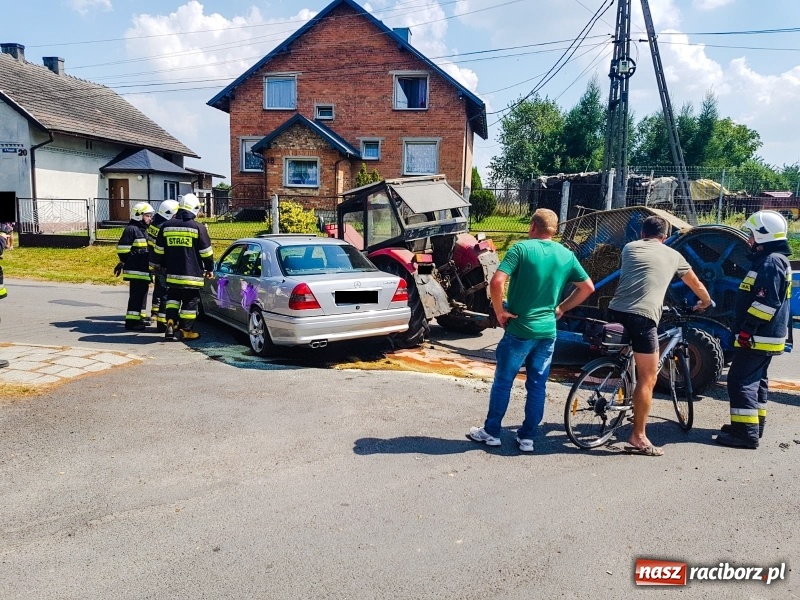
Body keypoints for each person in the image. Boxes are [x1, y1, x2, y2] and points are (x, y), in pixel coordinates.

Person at [468, 209, 595, 452]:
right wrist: (561, 308)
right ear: (554, 230)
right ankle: (527, 438)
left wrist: (499, 311)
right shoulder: (566, 255)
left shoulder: (520, 249)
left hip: (519, 329)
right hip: (547, 331)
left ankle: (492, 432)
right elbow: (587, 287)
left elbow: (496, 281)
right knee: (537, 385)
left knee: (504, 382)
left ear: (532, 227)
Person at [607, 215, 713, 457]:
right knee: (648, 378)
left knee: (628, 363)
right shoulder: (673, 255)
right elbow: (694, 283)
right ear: (664, 237)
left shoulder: (629, 247)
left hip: (615, 310)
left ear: (642, 233)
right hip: (643, 317)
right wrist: (705, 301)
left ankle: (626, 396)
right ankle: (638, 436)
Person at [716, 210, 792, 449]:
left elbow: (766, 303)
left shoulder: (771, 262)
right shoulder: (772, 260)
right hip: (764, 336)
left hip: (759, 336)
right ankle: (752, 427)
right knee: (756, 382)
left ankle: (744, 434)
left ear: (763, 235)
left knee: (739, 381)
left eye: (751, 234)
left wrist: (747, 330)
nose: (748, 239)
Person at [154, 193, 214, 341]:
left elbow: (158, 251)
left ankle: (170, 323)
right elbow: (206, 252)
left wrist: (162, 266)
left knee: (173, 298)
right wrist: (210, 268)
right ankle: (186, 330)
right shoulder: (198, 227)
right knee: (190, 301)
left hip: (172, 273)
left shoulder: (166, 226)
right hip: (192, 274)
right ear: (193, 209)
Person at [115, 202, 155, 331]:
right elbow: (122, 250)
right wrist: (128, 262)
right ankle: (131, 323)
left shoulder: (142, 230)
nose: (150, 218)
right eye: (147, 215)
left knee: (142, 295)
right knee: (136, 296)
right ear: (139, 215)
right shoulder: (131, 229)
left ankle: (139, 318)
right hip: (136, 270)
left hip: (142, 270)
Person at [146, 199, 179, 333]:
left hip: (153, 262)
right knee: (165, 292)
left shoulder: (155, 223)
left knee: (159, 289)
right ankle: (162, 323)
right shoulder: (163, 227)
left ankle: (155, 311)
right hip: (162, 264)